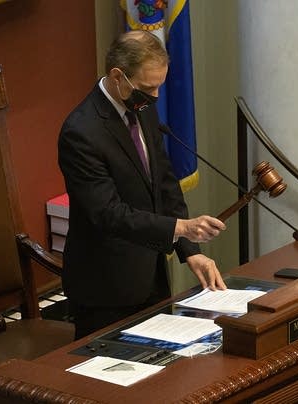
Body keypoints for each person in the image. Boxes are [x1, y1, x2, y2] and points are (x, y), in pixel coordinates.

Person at [58, 30, 227, 340]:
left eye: (159, 86)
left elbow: (164, 183)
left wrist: (190, 250)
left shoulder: (142, 108)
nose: (155, 97)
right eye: (148, 88)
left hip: (151, 278)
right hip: (105, 289)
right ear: (117, 76)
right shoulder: (81, 133)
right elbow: (108, 213)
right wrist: (180, 227)